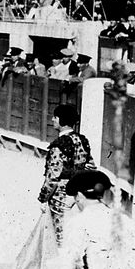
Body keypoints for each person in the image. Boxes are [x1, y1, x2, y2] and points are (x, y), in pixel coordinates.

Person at [38, 104, 95, 245]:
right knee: (78, 235)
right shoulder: (83, 141)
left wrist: (43, 198)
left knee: (61, 237)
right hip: (80, 195)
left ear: (61, 120)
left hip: (61, 196)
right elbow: (91, 166)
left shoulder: (59, 145)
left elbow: (52, 178)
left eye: (55, 117)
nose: (52, 119)